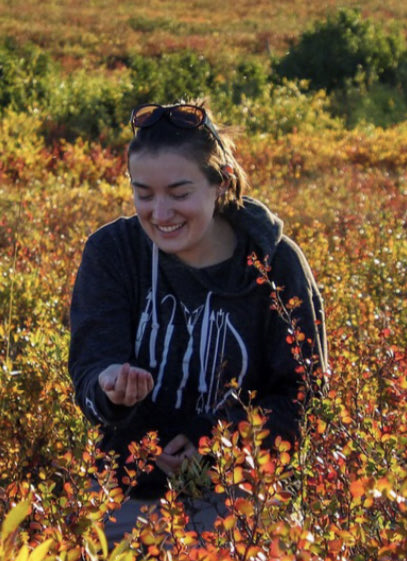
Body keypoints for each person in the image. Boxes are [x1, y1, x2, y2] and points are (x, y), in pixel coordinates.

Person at [68, 102, 328, 544]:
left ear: (220, 183)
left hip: (239, 494)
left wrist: (212, 444)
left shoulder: (275, 265)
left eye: (179, 192)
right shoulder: (113, 253)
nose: (161, 213)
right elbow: (90, 374)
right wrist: (109, 389)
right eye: (144, 193)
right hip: (128, 492)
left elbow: (304, 395)